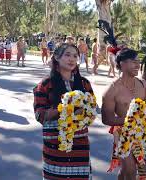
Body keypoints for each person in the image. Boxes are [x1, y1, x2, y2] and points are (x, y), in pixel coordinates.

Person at [33, 43, 95, 179]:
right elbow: (39, 115)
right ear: (57, 57)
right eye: (67, 55)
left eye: (75, 56)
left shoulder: (84, 84)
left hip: (80, 146)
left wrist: (85, 113)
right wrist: (64, 107)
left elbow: (92, 110)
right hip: (55, 146)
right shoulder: (45, 85)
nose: (72, 59)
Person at [101, 48, 146, 180]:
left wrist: (145, 120)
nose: (137, 65)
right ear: (121, 64)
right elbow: (106, 119)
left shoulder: (143, 84)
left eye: (138, 61)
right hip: (122, 133)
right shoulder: (112, 90)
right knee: (130, 171)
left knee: (135, 169)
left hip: (142, 132)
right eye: (133, 61)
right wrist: (130, 121)